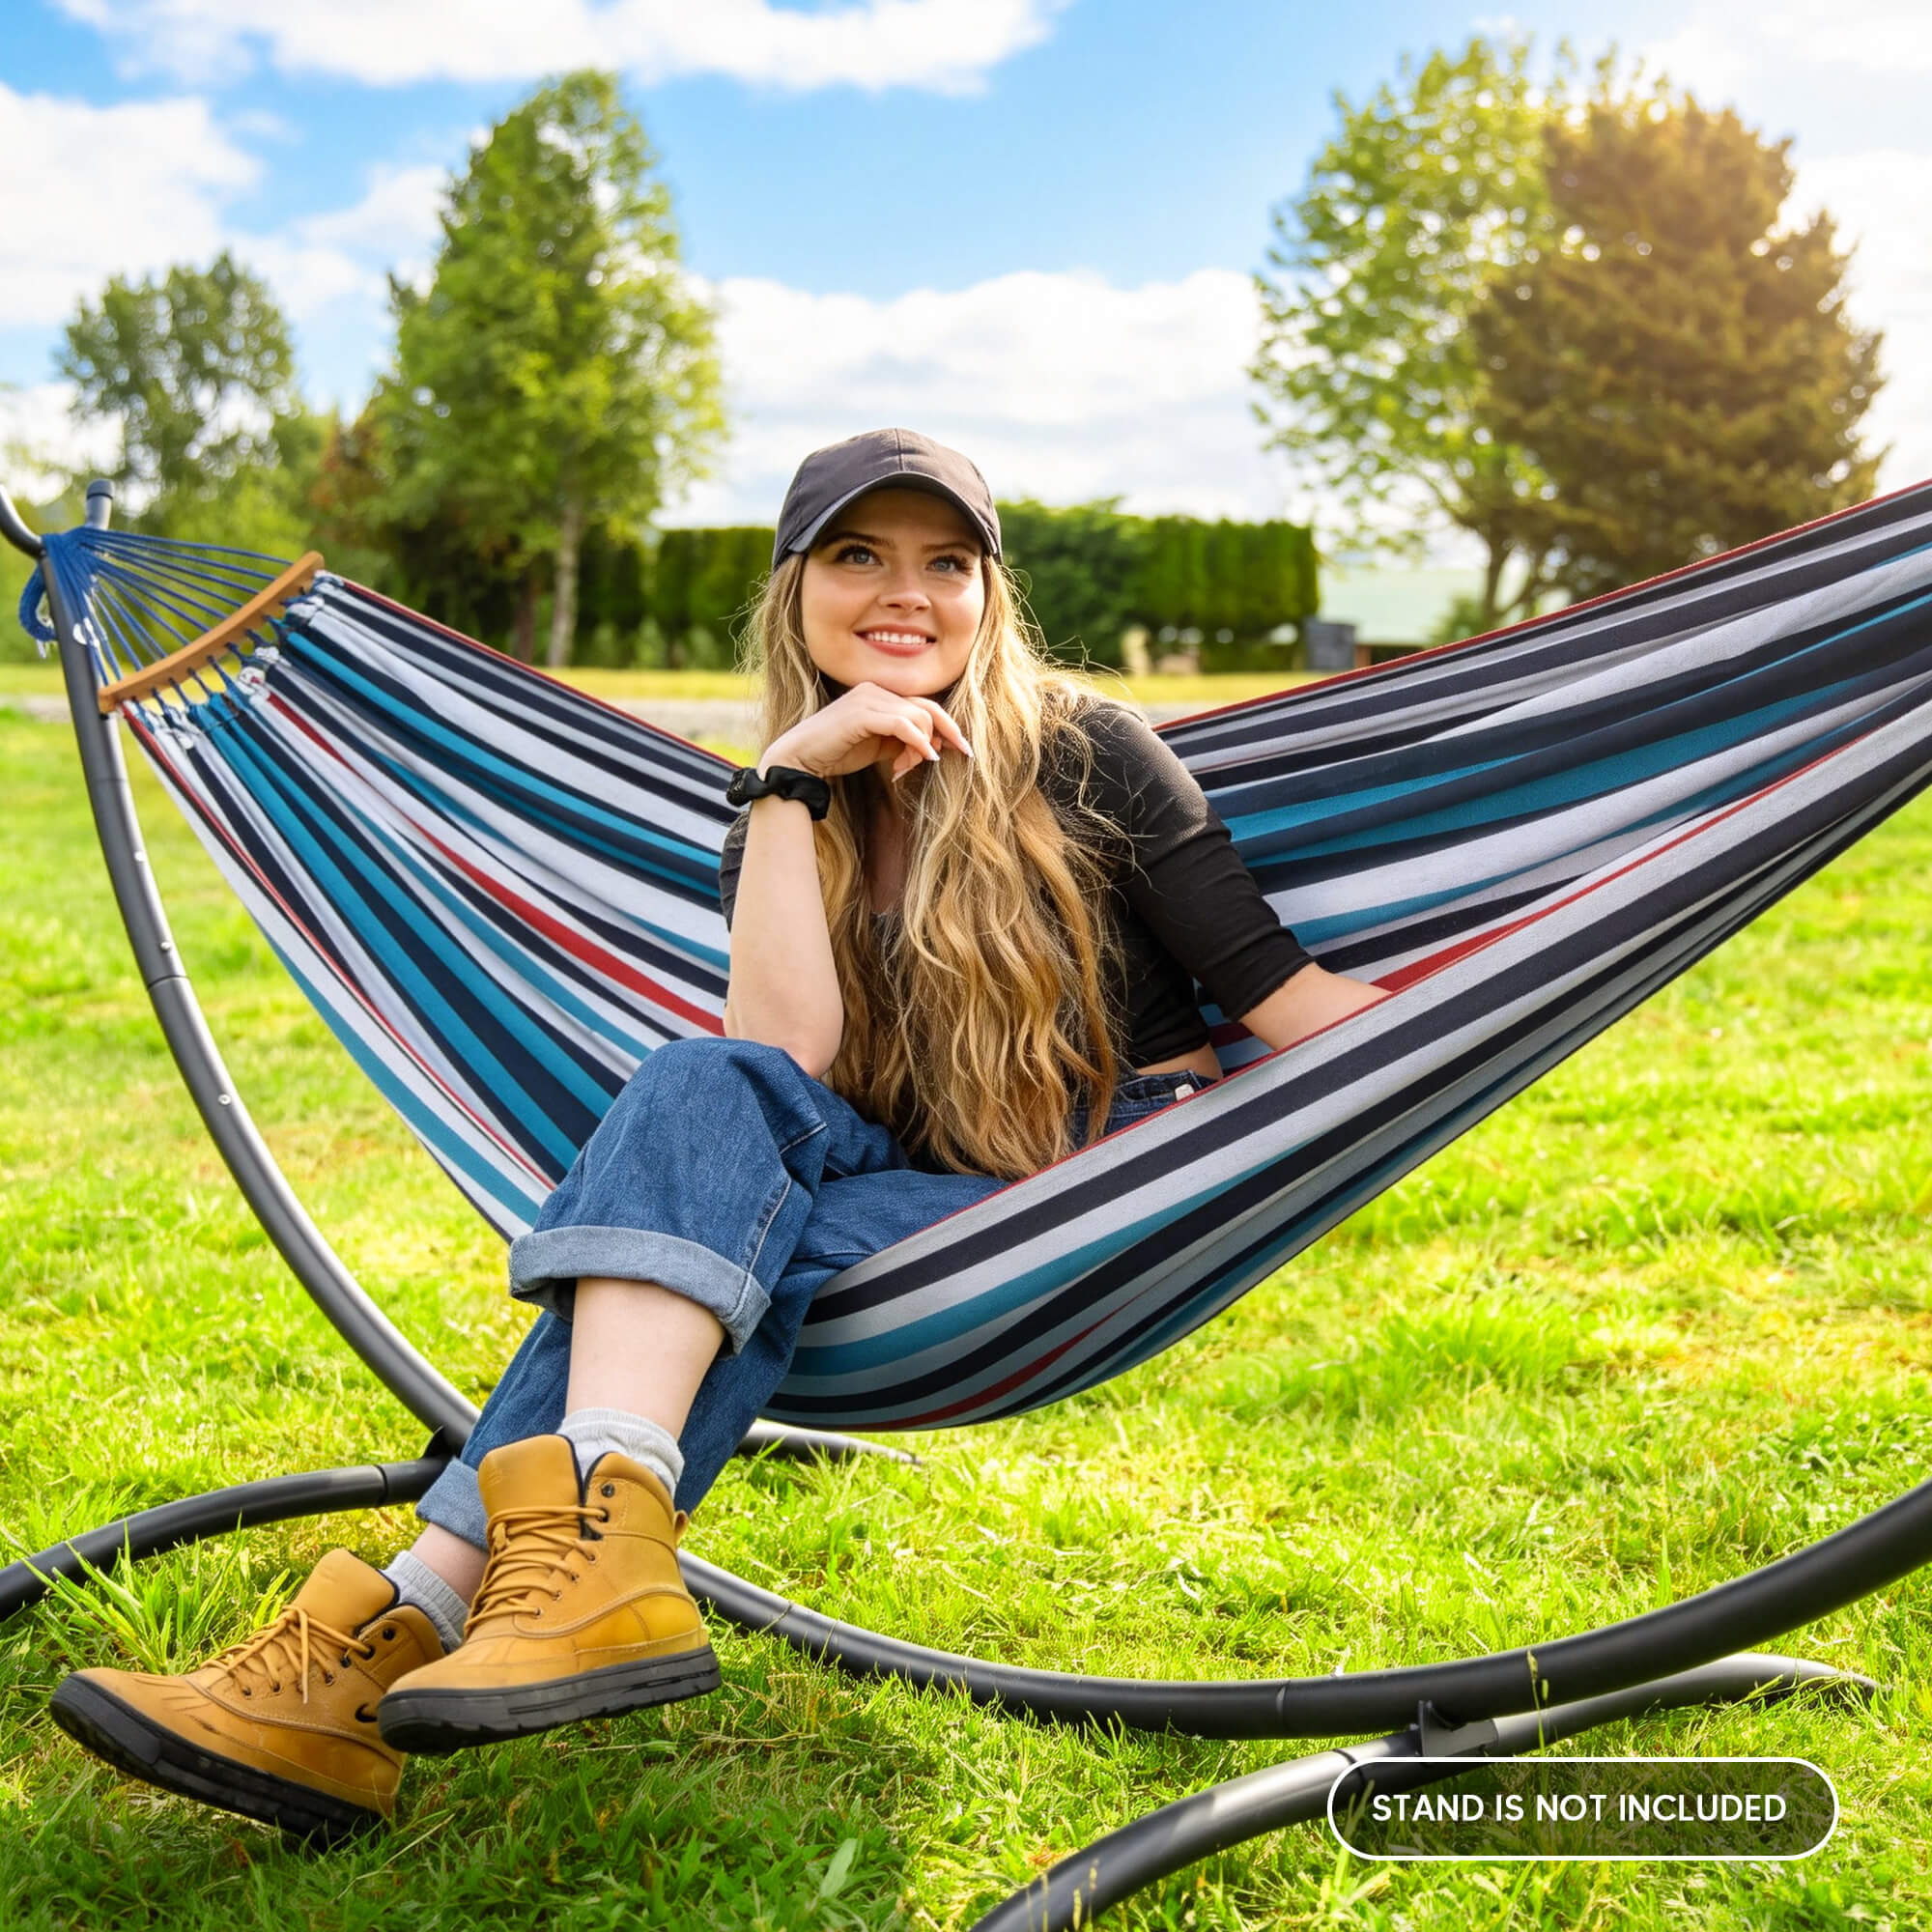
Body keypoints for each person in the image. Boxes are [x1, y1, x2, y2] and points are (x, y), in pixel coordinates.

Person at [47, 428, 1388, 1841]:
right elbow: (785, 1055)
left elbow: (1285, 1002)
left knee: (706, 1254)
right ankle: (590, 1546)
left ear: (993, 596)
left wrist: (1525, 983)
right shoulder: (781, 795)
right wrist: (790, 785)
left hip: (1098, 1176)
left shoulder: (1084, 752)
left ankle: (392, 1630)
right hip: (893, 1177)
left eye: (948, 563)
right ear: (795, 587)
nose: (906, 593)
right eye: (860, 555)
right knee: (703, 1098)